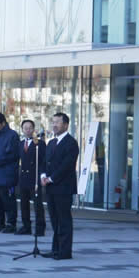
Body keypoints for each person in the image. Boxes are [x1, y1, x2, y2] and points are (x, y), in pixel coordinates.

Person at [41, 112, 79, 261]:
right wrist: (43, 176)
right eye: (53, 122)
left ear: (65, 125)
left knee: (64, 220)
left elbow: (67, 166)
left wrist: (51, 178)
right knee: (54, 220)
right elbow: (44, 162)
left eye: (57, 122)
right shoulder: (51, 142)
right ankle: (55, 249)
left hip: (63, 188)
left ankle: (65, 252)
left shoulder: (71, 143)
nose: (54, 125)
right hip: (50, 188)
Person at [17, 119, 47, 236]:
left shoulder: (39, 144)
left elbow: (43, 160)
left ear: (33, 129)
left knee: (37, 204)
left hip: (34, 177)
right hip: (23, 177)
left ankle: (40, 228)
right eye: (25, 128)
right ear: (22, 130)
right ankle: (26, 226)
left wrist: (42, 175)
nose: (28, 130)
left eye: (30, 128)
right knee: (23, 204)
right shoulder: (20, 143)